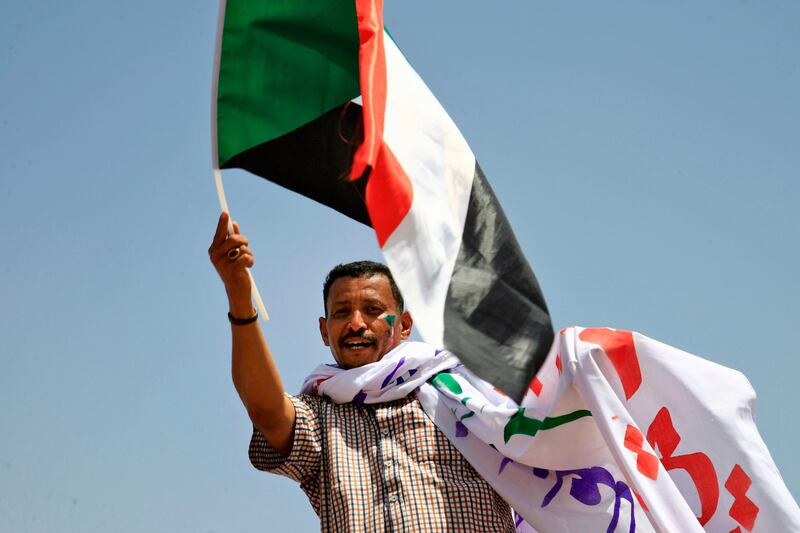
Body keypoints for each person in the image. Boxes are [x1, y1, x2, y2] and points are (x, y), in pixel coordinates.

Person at [208, 212, 515, 532]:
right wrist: (239, 293)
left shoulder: (462, 396)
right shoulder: (320, 417)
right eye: (342, 312)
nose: (356, 323)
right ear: (325, 332)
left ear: (405, 324)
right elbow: (267, 411)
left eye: (372, 310)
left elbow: (540, 433)